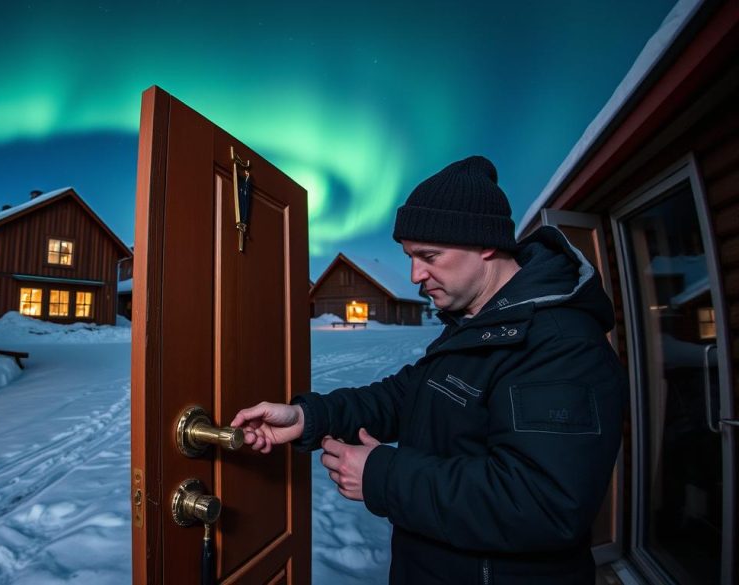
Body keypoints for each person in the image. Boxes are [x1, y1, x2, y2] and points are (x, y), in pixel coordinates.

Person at [231, 155, 625, 585]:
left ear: (485, 244)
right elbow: (404, 397)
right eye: (410, 257)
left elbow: (543, 503)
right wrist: (307, 417)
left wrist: (382, 475)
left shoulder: (558, 343)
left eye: (430, 256)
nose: (416, 274)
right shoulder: (477, 325)